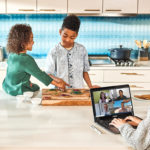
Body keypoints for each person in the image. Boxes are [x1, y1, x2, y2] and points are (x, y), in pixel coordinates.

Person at [2, 24, 69, 96]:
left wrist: (57, 79)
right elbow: (41, 76)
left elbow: (37, 72)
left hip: (7, 87)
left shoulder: (12, 55)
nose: (33, 42)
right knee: (36, 87)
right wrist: (58, 84)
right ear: (23, 43)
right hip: (18, 90)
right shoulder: (26, 59)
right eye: (31, 39)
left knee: (34, 86)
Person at [45, 14, 99, 89]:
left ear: (76, 35)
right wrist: (58, 81)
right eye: (65, 36)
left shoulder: (82, 50)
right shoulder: (54, 51)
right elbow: (48, 74)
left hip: (78, 91)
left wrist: (90, 86)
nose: (67, 40)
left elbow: (84, 71)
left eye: (72, 37)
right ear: (60, 32)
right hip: (61, 92)